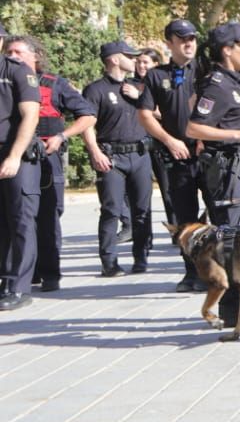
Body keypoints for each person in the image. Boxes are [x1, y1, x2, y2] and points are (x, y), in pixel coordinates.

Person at [186, 22, 240, 327]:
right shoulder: (217, 85)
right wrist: (237, 135)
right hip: (227, 172)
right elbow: (193, 128)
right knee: (232, 241)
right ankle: (231, 309)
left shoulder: (233, 82)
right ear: (227, 50)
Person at [5, 37, 91, 292]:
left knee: (49, 214)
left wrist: (62, 136)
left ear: (36, 56)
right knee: (17, 217)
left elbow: (87, 115)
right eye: (9, 51)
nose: (13, 56)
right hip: (15, 156)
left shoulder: (54, 84)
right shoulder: (5, 81)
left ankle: (50, 272)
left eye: (18, 52)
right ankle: (23, 273)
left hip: (45, 157)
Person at [138, 19, 206, 291]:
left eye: (192, 38)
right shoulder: (156, 76)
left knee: (218, 212)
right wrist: (169, 140)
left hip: (207, 151)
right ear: (169, 43)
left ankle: (219, 270)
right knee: (185, 217)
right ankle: (192, 272)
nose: (188, 43)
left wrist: (204, 138)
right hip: (177, 155)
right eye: (182, 39)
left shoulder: (206, 70)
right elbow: (145, 114)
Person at [81, 41, 154, 276]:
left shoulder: (139, 87)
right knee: (111, 210)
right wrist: (95, 152)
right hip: (111, 157)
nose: (134, 60)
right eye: (129, 56)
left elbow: (158, 114)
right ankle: (109, 262)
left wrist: (139, 97)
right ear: (114, 59)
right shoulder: (95, 90)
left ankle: (141, 257)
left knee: (142, 209)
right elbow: (86, 124)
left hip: (140, 154)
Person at [0, 36, 41, 312]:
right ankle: (5, 281)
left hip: (16, 154)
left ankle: (19, 287)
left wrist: (14, 156)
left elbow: (31, 115)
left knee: (21, 221)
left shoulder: (16, 70)